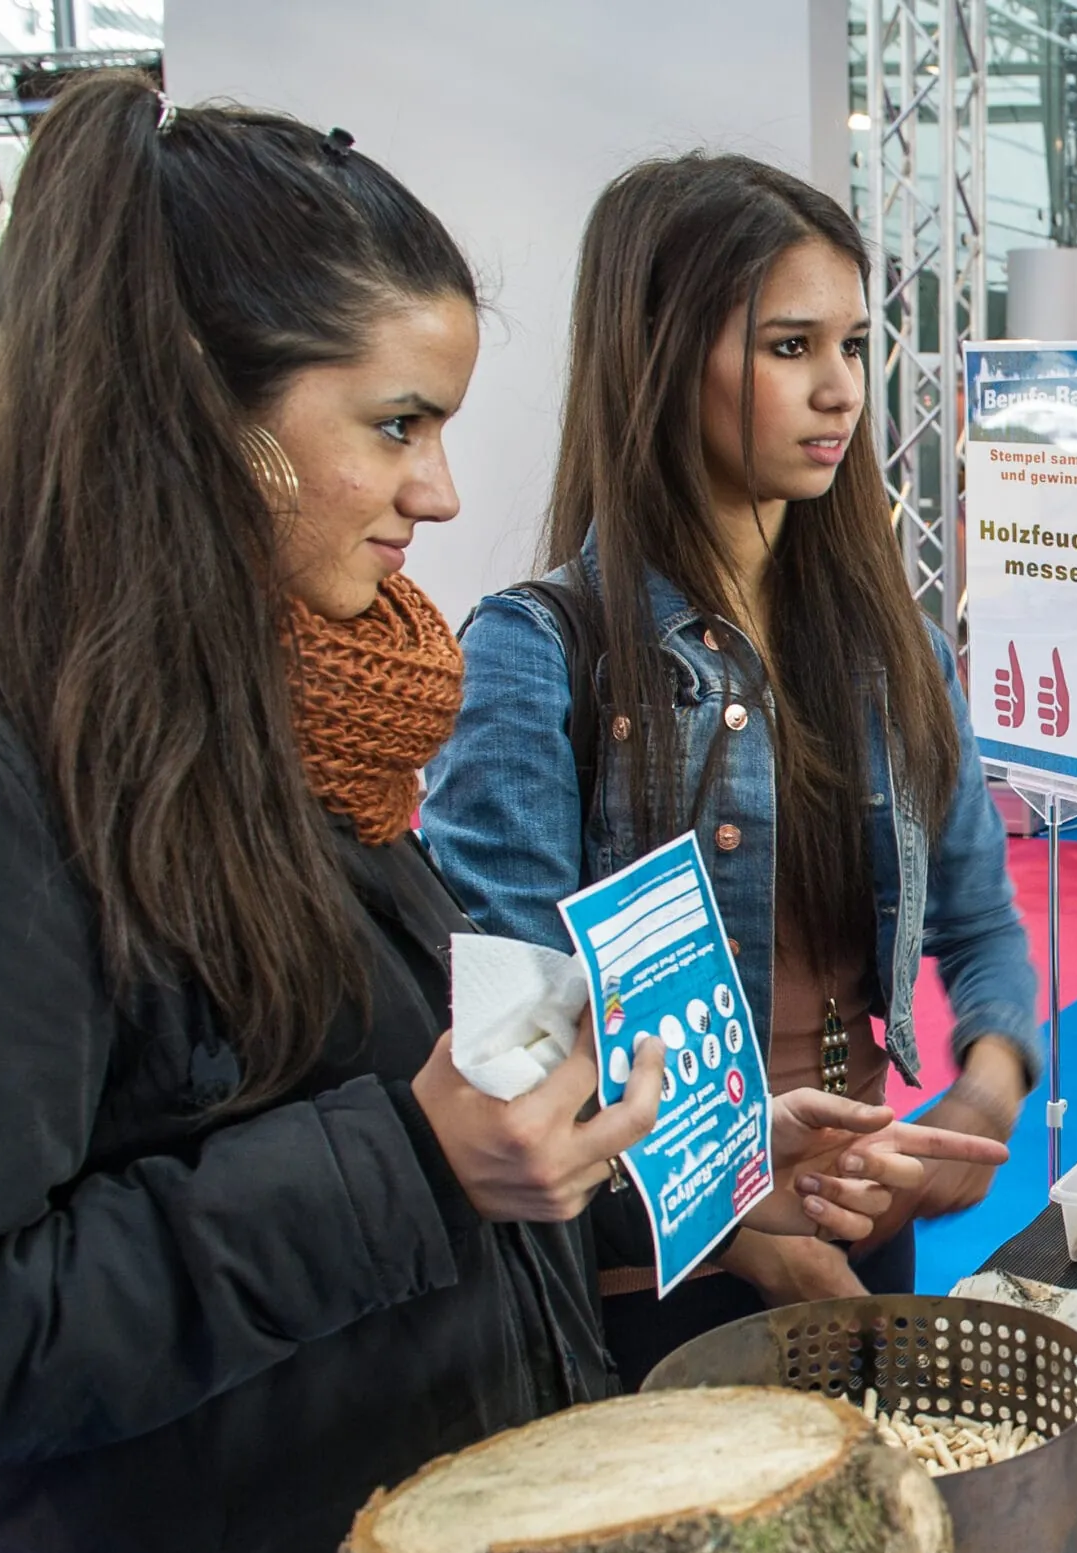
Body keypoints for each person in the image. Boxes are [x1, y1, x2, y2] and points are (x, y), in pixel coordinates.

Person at [0, 79, 1008, 1553]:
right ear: (202, 417)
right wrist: (407, 1158)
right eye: (395, 424)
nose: (438, 488)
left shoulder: (315, 723)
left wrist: (687, 1152)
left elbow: (430, 1149)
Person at [422, 155, 1038, 1379]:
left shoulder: (893, 646)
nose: (839, 392)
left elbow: (980, 924)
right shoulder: (538, 654)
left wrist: (977, 1106)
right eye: (789, 346)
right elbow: (517, 1049)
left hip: (860, 1220)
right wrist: (743, 1219)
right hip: (649, 1265)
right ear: (658, 357)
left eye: (856, 347)